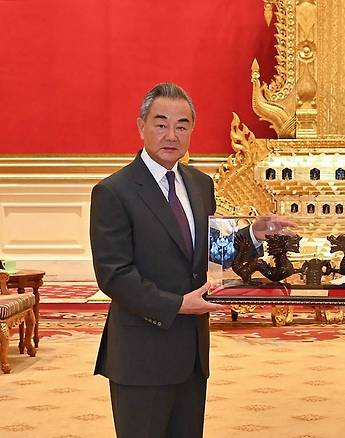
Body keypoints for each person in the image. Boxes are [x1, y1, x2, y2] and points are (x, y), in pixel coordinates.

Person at [90, 82, 292, 437]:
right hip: (142, 356)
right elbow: (114, 276)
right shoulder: (113, 192)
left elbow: (214, 253)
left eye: (182, 125)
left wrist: (253, 235)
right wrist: (178, 304)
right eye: (161, 123)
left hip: (192, 357)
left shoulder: (200, 184)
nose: (172, 134)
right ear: (141, 126)